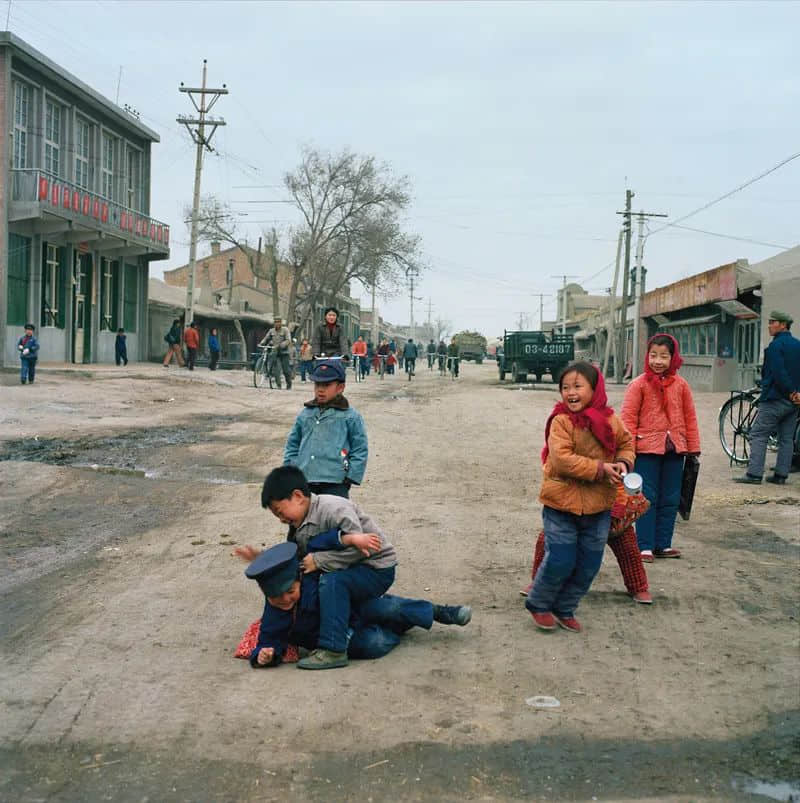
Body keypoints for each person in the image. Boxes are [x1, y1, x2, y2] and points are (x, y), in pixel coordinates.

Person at [236, 541, 471, 669]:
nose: (285, 600)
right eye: (276, 598)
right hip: (338, 639)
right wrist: (264, 655)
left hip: (355, 609)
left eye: (290, 592)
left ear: (299, 579)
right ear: (266, 596)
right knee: (375, 643)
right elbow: (268, 641)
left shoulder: (313, 579)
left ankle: (439, 612)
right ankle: (401, 628)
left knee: (387, 609)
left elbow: (318, 545)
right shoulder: (274, 614)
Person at [526, 361, 634, 633]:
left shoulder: (611, 420)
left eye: (577, 386)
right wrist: (599, 468)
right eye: (565, 387)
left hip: (598, 507)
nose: (570, 393)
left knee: (589, 563)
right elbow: (561, 460)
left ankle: (565, 608)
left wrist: (622, 462)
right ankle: (539, 603)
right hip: (561, 505)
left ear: (595, 388)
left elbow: (626, 443)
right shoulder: (561, 421)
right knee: (561, 558)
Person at [257, 465, 397, 669]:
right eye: (276, 516)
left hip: (375, 567)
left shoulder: (335, 509)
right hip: (350, 569)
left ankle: (333, 649)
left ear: (298, 496)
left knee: (332, 581)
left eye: (280, 511)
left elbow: (360, 550)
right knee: (349, 601)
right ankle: (416, 613)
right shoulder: (297, 524)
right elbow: (297, 556)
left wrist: (320, 561)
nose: (281, 519)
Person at [621, 333, 700, 561]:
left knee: (671, 498)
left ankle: (663, 544)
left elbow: (690, 418)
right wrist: (626, 451)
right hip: (646, 451)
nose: (658, 361)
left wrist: (693, 448)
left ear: (672, 358)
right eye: (653, 355)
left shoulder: (682, 386)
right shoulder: (638, 385)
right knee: (646, 497)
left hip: (676, 450)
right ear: (647, 356)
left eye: (664, 356)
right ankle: (644, 545)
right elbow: (627, 419)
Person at [522, 482, 653, 604]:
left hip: (609, 507)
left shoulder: (612, 459)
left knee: (627, 547)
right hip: (573, 506)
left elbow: (621, 482)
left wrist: (617, 511)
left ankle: (638, 586)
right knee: (547, 539)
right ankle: (540, 583)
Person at [284, 359, 367, 498]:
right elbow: (293, 444)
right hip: (305, 479)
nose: (320, 390)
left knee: (335, 517)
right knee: (307, 518)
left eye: (327, 385)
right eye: (317, 385)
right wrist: (291, 469)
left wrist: (352, 475)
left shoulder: (350, 417)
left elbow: (360, 448)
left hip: (335, 481)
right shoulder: (305, 414)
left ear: (340, 387)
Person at [734, 311, 800, 485]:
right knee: (786, 438)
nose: (769, 325)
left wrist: (791, 390)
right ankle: (780, 476)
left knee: (758, 434)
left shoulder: (775, 346)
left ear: (783, 325)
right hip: (794, 402)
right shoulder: (797, 345)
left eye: (773, 322)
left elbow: (778, 373)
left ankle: (754, 474)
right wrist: (797, 393)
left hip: (775, 399)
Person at [258, 316, 293, 389]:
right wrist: (261, 343)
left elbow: (288, 340)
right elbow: (266, 338)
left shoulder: (285, 330)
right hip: (275, 352)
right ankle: (278, 385)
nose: (277, 324)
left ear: (281, 323)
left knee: (286, 370)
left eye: (278, 322)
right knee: (276, 370)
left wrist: (281, 345)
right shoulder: (271, 331)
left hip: (284, 352)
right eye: (275, 322)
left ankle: (289, 384)